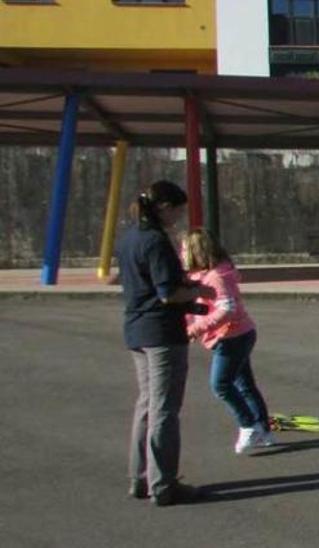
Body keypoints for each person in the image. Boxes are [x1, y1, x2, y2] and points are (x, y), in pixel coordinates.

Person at [117, 180, 204, 507]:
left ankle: (139, 477)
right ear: (164, 207)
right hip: (162, 333)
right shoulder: (156, 242)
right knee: (165, 408)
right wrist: (199, 292)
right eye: (178, 210)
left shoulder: (130, 239)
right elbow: (169, 293)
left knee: (146, 404)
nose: (179, 217)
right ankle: (163, 482)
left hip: (137, 328)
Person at [183, 229, 275, 455]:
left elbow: (227, 309)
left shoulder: (216, 276)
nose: (181, 253)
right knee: (245, 385)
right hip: (237, 334)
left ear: (196, 251)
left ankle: (248, 425)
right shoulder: (204, 276)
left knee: (221, 385)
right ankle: (263, 429)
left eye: (185, 249)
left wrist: (196, 329)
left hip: (233, 337)